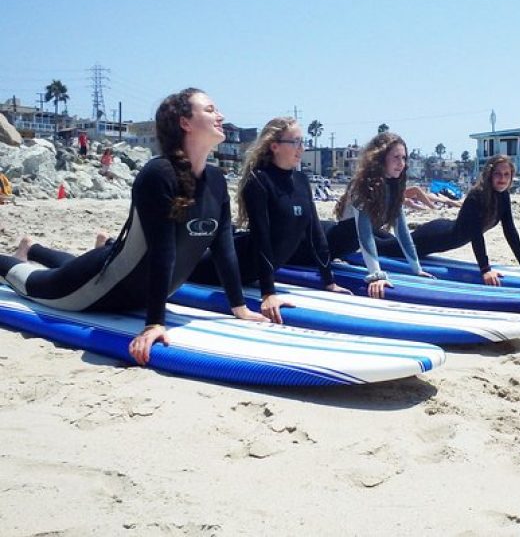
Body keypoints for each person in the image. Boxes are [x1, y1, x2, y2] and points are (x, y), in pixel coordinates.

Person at [0, 88, 264, 365]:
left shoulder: (216, 179)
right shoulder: (158, 175)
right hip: (100, 291)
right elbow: (163, 251)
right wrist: (154, 324)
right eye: (210, 110)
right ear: (185, 123)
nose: (220, 115)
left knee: (76, 264)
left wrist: (239, 307)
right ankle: (20, 257)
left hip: (136, 289)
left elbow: (224, 249)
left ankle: (33, 248)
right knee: (27, 281)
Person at [188, 116, 349, 323]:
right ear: (275, 146)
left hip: (253, 274)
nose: (302, 148)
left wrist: (329, 282)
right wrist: (268, 293)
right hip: (230, 265)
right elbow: (261, 239)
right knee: (185, 270)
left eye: (303, 142)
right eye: (295, 142)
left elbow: (315, 234)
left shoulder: (301, 181)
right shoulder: (259, 179)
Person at [376, 154, 520, 287]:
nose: (502, 179)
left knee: (394, 243)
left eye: (507, 174)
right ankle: (360, 236)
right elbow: (476, 234)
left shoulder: (503, 196)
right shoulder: (477, 196)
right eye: (498, 174)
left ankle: (372, 232)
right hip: (435, 237)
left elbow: (509, 229)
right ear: (490, 175)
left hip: (445, 232)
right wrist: (485, 269)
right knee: (387, 249)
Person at [327, 132, 432, 298]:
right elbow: (364, 234)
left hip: (341, 250)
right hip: (326, 244)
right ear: (381, 158)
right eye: (396, 157)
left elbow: (402, 232)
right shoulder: (362, 186)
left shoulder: (393, 187)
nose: (401, 163)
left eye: (404, 158)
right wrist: (376, 275)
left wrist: (417, 269)